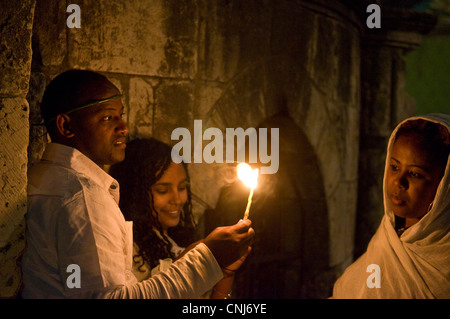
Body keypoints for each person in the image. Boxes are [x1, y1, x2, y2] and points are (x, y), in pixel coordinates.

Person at [21, 69, 254, 298]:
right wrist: (207, 258)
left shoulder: (47, 178)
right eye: (107, 117)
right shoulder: (82, 197)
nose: (123, 127)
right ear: (66, 126)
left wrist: (203, 262)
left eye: (121, 115)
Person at [109, 138, 248, 299]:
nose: (177, 199)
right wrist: (190, 260)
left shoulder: (172, 241)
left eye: (182, 188)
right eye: (162, 190)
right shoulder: (124, 249)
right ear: (135, 193)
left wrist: (226, 273)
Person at [332, 113, 450, 298]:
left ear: (445, 185)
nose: (399, 182)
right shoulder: (389, 232)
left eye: (415, 174)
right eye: (394, 167)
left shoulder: (442, 255)